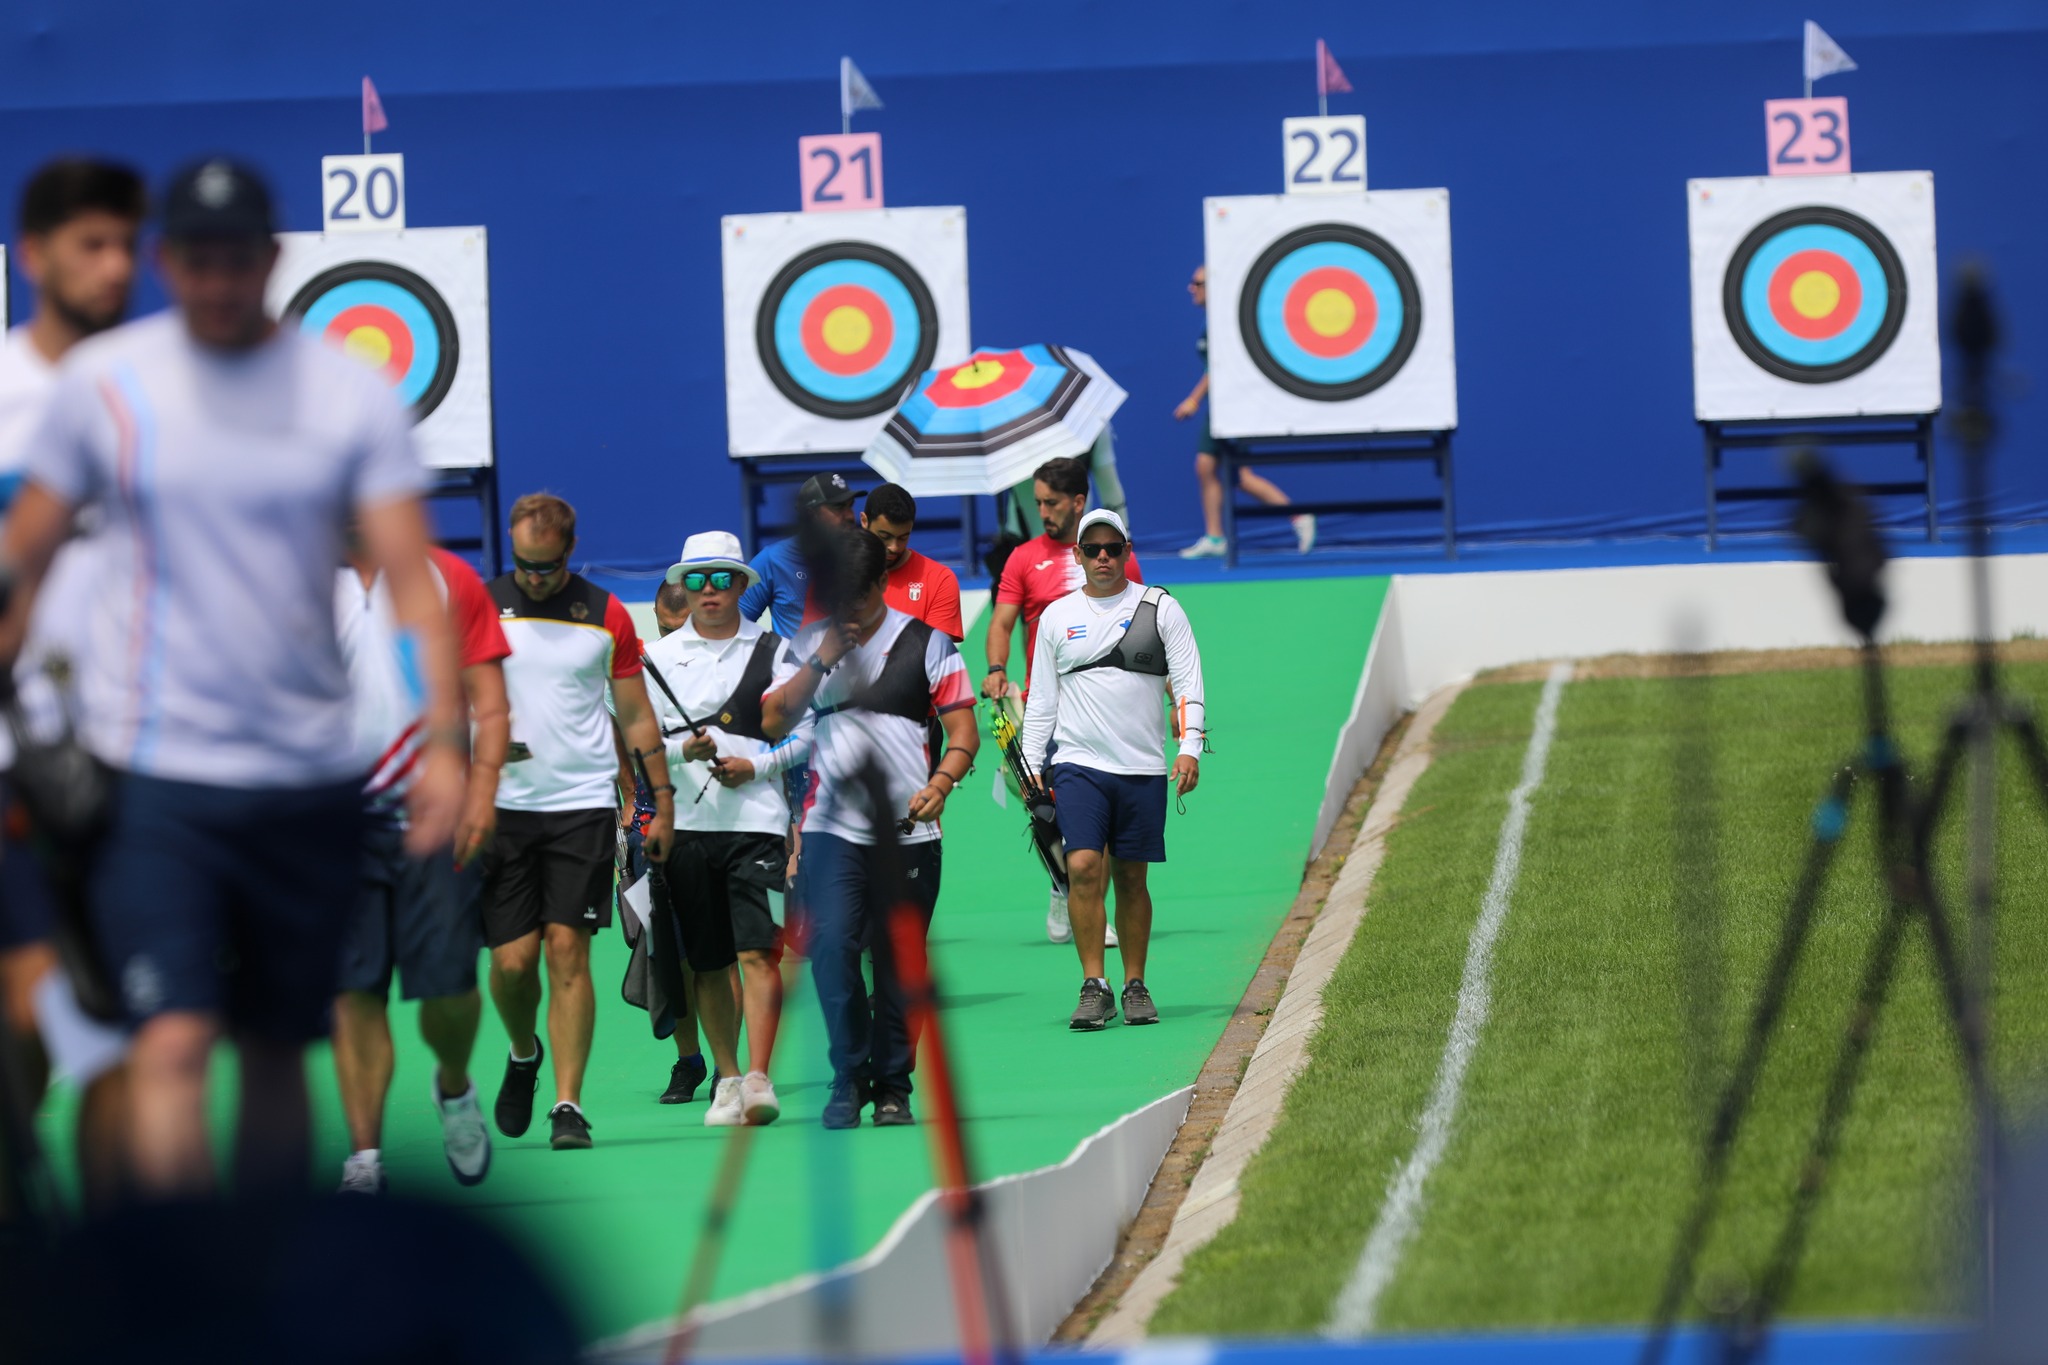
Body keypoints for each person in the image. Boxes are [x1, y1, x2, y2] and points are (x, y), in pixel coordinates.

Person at [0, 158, 465, 1199]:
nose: (216, 281)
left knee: (272, 1046)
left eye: (237, 259)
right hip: (151, 773)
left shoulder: (346, 394)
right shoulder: (107, 386)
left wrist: (441, 739)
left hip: (305, 778)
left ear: (272, 259)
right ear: (171, 261)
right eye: (196, 259)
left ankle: (257, 1281)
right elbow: (19, 563)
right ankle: (178, 1294)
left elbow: (411, 581)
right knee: (166, 1041)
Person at [0, 157, 146, 1213]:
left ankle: (114, 1288)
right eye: (91, 245)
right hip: (14, 763)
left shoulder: (161, 390)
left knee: (123, 1043)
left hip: (136, 763)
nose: (115, 267)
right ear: (31, 255)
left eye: (127, 246)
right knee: (26, 1020)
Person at [762, 528, 978, 1128]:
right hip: (830, 831)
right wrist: (822, 658)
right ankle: (846, 1074)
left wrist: (941, 784)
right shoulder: (804, 644)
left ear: (883, 582)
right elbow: (772, 717)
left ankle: (893, 1086)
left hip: (908, 831)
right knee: (831, 953)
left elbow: (963, 733)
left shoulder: (929, 644)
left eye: (858, 595)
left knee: (896, 964)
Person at [482, 492, 673, 1151]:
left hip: (582, 805)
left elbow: (636, 714)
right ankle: (523, 1050)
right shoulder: (480, 606)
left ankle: (568, 1103)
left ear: (570, 551)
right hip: (502, 806)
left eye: (548, 566)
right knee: (512, 963)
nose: (535, 578)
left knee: (567, 950)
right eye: (524, 566)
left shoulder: (605, 614)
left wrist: (660, 798)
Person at [331, 536, 512, 1194]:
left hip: (435, 822)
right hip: (336, 823)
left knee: (450, 990)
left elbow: (489, 702)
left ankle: (455, 1089)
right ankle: (365, 1157)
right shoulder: (290, 569)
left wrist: (483, 791)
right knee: (352, 992)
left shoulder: (446, 576)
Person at [645, 531, 810, 1126]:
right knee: (709, 963)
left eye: (721, 579)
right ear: (680, 589)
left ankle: (761, 1077)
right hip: (686, 827)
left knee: (758, 953)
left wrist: (756, 766)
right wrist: (675, 754)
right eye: (695, 580)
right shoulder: (656, 660)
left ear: (743, 585)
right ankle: (729, 1078)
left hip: (758, 825)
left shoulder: (777, 650)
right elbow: (642, 745)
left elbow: (806, 734)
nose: (709, 591)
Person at [1020, 509, 1205, 1031]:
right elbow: (1041, 702)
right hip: (1078, 765)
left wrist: (1189, 746)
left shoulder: (1161, 608)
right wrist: (1035, 765)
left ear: (1127, 551)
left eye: (1113, 548)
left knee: (1131, 876)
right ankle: (1094, 985)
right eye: (1093, 549)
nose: (1103, 557)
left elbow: (1190, 682)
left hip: (1142, 766)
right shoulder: (1056, 617)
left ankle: (1135, 984)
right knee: (1082, 867)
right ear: (1076, 555)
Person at [984, 456, 1143, 943]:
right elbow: (1002, 623)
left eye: (1051, 503)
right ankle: (1064, 887)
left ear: (1078, 502)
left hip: (1107, 708)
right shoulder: (1022, 558)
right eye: (1036, 503)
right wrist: (995, 670)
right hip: (1043, 708)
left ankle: (1088, 902)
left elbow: (1144, 626)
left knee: (1102, 810)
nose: (1043, 511)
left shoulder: (1113, 555)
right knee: (1047, 807)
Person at [616, 579, 711, 1105]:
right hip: (650, 827)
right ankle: (688, 1061)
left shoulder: (721, 661)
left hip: (715, 822)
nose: (669, 637)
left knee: (716, 955)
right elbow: (612, 728)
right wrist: (629, 800)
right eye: (662, 627)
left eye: (679, 628)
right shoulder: (634, 667)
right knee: (667, 955)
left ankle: (730, 1068)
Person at [1174, 265, 1316, 559]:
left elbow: (1219, 368)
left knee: (1228, 471)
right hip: (1222, 406)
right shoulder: (1210, 323)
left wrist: (1193, 400)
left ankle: (1297, 517)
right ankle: (1216, 537)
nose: (1191, 288)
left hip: (1233, 406)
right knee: (1218, 470)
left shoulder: (1225, 324)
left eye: (1197, 283)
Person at [738, 472, 859, 638]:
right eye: (838, 507)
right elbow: (735, 625)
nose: (850, 516)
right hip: (796, 663)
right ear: (810, 515)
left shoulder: (864, 555)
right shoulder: (773, 560)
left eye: (850, 505)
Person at [863, 483, 963, 642]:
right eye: (884, 536)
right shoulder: (836, 574)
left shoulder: (939, 580)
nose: (894, 547)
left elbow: (934, 657)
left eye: (903, 537)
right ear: (864, 521)